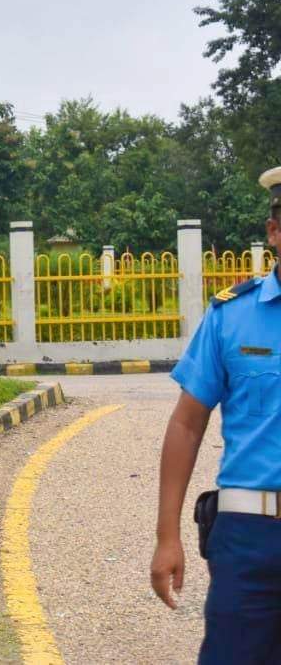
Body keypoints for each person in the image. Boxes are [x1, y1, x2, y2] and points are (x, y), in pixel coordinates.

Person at [150, 166, 281, 664]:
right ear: (274, 231)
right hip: (249, 540)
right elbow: (186, 424)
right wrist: (167, 536)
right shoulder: (232, 315)